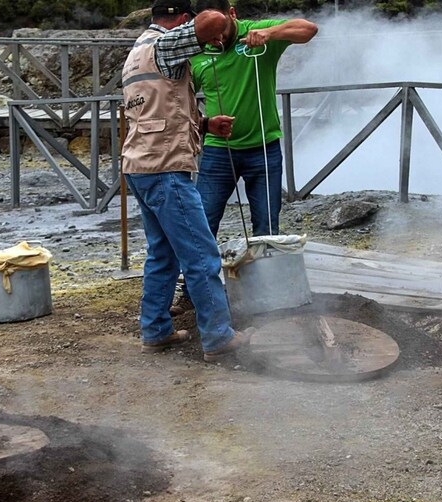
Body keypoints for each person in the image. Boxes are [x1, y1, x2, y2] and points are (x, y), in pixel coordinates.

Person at [121, 0, 253, 361]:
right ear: (181, 19)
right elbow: (210, 21)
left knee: (163, 255)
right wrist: (226, 22)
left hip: (140, 166)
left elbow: (158, 107)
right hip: (165, 169)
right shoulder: (165, 44)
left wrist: (206, 124)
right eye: (189, 23)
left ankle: (156, 330)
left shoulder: (138, 50)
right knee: (200, 254)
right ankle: (218, 337)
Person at [191, 0, 318, 238]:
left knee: (267, 226)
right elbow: (180, 101)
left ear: (232, 13)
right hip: (219, 150)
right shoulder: (197, 53)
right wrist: (205, 123)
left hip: (263, 148)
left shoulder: (256, 33)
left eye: (219, 31)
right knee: (203, 224)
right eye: (207, 34)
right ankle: (200, 275)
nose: (214, 39)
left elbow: (308, 29)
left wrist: (269, 33)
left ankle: (265, 274)